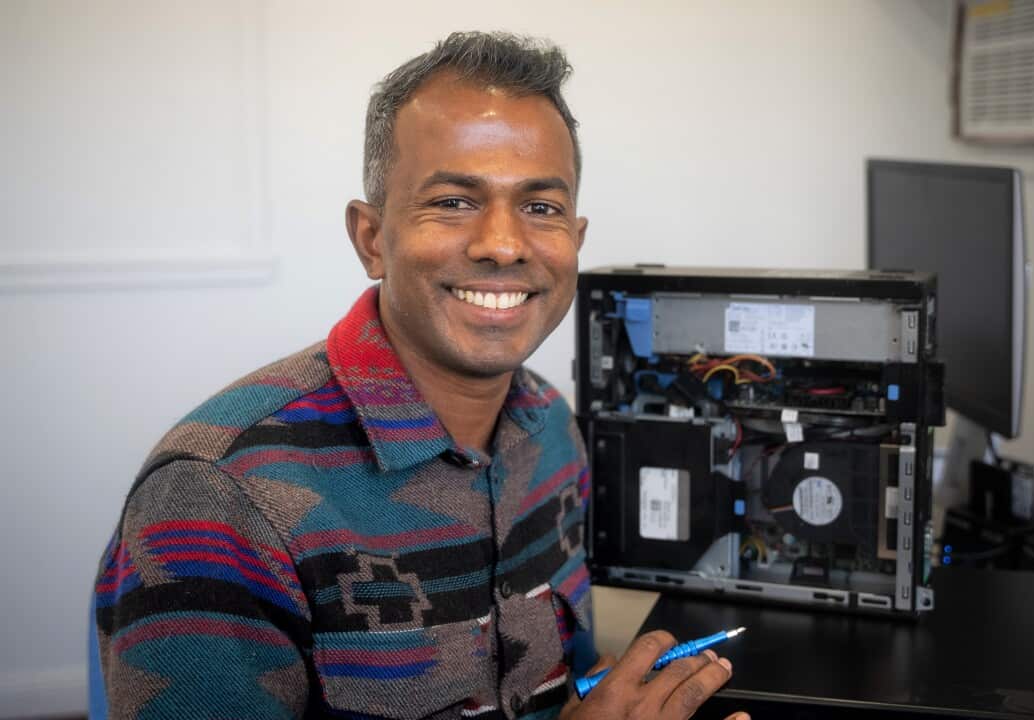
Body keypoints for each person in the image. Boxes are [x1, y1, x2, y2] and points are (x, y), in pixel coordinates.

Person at [92, 31, 748, 720]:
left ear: (575, 242)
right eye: (454, 201)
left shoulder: (552, 425)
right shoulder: (217, 495)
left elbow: (563, 682)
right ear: (372, 239)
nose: (503, 244)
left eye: (541, 208)